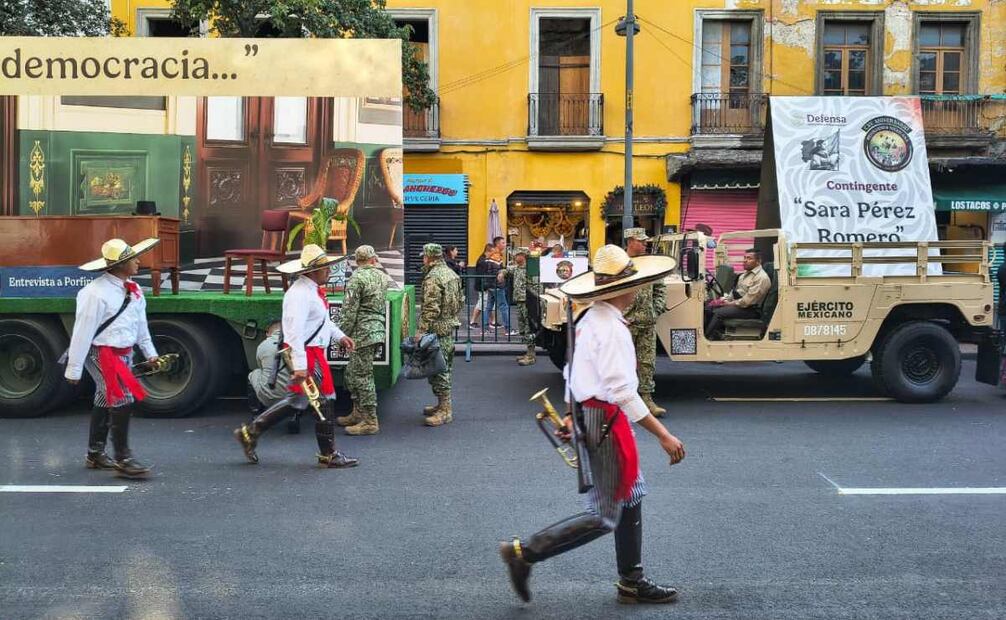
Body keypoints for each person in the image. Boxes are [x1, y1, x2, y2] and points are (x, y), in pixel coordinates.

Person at [499, 244, 685, 605]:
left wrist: (571, 412)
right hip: (606, 420)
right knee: (605, 515)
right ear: (627, 288)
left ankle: (632, 579)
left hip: (592, 414)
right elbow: (625, 394)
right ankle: (525, 553)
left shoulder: (588, 318)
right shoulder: (612, 329)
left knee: (632, 494)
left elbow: (572, 372)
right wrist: (663, 435)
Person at [233, 244, 359, 469]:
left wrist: (340, 336)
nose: (329, 271)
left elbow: (322, 323)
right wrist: (300, 366)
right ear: (312, 271)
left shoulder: (310, 291)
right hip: (307, 355)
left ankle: (250, 432)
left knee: (299, 401)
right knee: (322, 402)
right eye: (325, 268)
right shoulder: (299, 294)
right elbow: (293, 332)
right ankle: (328, 454)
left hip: (313, 354)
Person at [66, 238, 161, 479]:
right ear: (121, 265)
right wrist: (74, 369)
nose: (139, 262)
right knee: (122, 398)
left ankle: (95, 453)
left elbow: (141, 327)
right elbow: (82, 332)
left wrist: (151, 354)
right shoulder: (94, 293)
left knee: (103, 396)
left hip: (124, 354)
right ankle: (123, 458)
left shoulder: (135, 290)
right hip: (101, 353)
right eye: (133, 259)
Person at [337, 245, 391, 435]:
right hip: (376, 330)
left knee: (362, 376)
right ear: (373, 259)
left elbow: (349, 311)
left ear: (357, 260)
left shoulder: (357, 278)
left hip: (363, 332)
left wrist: (341, 335)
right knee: (353, 372)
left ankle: (370, 421)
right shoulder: (383, 276)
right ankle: (358, 412)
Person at [623, 228, 667, 417]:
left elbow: (660, 289)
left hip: (647, 322)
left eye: (645, 241)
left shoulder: (651, 264)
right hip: (626, 323)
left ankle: (647, 399)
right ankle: (624, 401)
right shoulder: (619, 263)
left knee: (647, 362)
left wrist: (655, 310)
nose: (645, 244)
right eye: (641, 241)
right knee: (623, 363)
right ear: (630, 241)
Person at [418, 243, 463, 427]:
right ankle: (441, 405)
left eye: (424, 256)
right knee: (445, 366)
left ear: (429, 257)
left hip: (436, 328)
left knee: (439, 369)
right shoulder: (451, 274)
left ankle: (445, 411)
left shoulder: (433, 278)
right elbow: (460, 300)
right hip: (448, 325)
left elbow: (430, 308)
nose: (423, 259)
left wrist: (421, 330)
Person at [704, 248, 771, 339]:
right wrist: (724, 300)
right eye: (744, 258)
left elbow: (747, 301)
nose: (745, 260)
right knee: (707, 307)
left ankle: (707, 337)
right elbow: (735, 293)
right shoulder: (744, 275)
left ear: (758, 261)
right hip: (740, 305)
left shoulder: (761, 278)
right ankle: (714, 334)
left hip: (751, 310)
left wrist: (729, 304)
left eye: (749, 258)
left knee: (718, 313)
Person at [498, 247, 535, 365]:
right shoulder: (517, 268)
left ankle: (531, 355)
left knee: (529, 327)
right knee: (523, 327)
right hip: (520, 301)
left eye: (517, 255)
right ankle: (529, 352)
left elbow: (537, 286)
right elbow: (507, 270)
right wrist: (501, 273)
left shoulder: (532, 269)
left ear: (523, 256)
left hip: (528, 302)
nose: (515, 257)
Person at [483, 240, 511, 333]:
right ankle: (508, 329)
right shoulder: (496, 257)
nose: (505, 244)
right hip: (497, 286)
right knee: (503, 306)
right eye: (503, 243)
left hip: (491, 285)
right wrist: (502, 272)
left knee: (488, 307)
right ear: (497, 245)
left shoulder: (491, 256)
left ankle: (485, 328)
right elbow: (497, 271)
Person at [469, 243, 495, 327]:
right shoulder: (482, 261)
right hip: (483, 287)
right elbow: (482, 276)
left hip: (484, 286)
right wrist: (486, 287)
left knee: (488, 303)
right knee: (481, 304)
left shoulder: (485, 260)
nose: (493, 254)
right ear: (489, 251)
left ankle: (493, 322)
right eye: (492, 252)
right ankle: (472, 322)